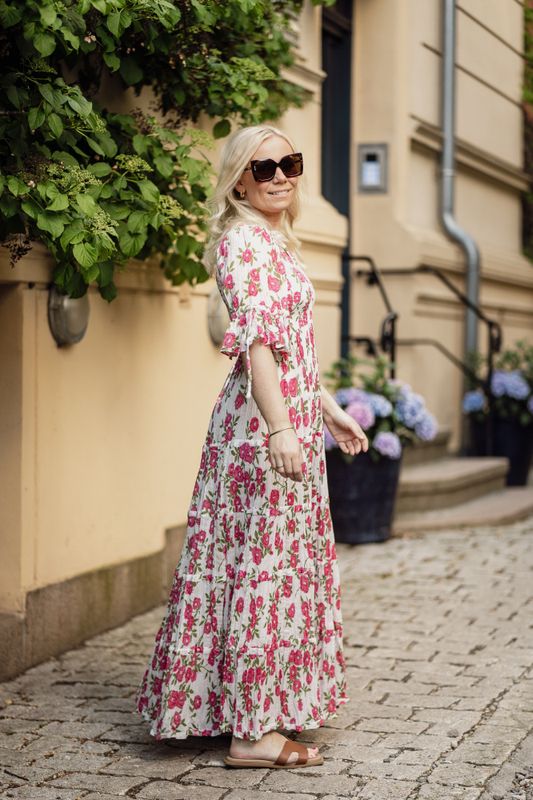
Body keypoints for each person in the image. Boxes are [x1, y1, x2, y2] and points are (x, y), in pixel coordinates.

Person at [135, 124, 368, 769]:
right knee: (261, 571)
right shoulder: (243, 244)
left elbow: (296, 351)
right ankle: (252, 737)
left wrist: (328, 414)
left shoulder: (276, 243)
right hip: (259, 433)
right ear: (240, 180)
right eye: (265, 169)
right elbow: (259, 348)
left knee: (272, 570)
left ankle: (251, 712)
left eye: (290, 163)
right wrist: (281, 429)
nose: (282, 176)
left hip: (284, 420)